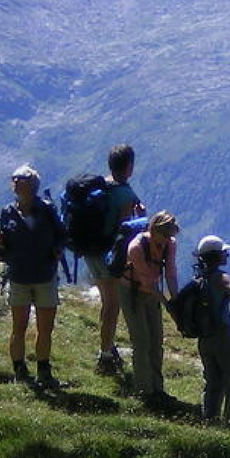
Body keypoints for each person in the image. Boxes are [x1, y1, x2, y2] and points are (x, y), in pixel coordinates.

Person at [0, 164, 64, 390]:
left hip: (44, 274)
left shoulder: (48, 209)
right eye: (13, 178)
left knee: (45, 328)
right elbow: (6, 236)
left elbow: (62, 234)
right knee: (19, 327)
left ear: (32, 184)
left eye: (20, 179)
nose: (15, 182)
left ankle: (43, 370)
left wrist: (58, 248)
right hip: (19, 276)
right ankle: (20, 370)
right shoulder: (7, 212)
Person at [89, 145, 145, 376]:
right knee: (113, 305)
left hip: (89, 250)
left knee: (107, 300)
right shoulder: (125, 194)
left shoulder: (100, 185)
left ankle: (108, 345)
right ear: (129, 166)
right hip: (109, 254)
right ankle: (105, 356)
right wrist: (140, 219)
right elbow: (124, 230)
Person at [121, 210, 180, 406]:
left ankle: (157, 389)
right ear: (153, 230)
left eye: (170, 235)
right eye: (165, 235)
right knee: (141, 340)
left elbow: (170, 273)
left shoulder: (169, 244)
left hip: (152, 294)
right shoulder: (136, 248)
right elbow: (147, 283)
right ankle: (143, 391)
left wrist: (176, 300)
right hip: (133, 292)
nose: (167, 239)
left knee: (156, 341)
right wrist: (167, 305)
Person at [193, 235, 230, 424]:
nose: (226, 254)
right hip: (223, 335)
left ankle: (208, 421)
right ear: (216, 256)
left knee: (212, 382)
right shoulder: (221, 277)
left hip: (204, 337)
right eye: (223, 252)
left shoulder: (199, 279)